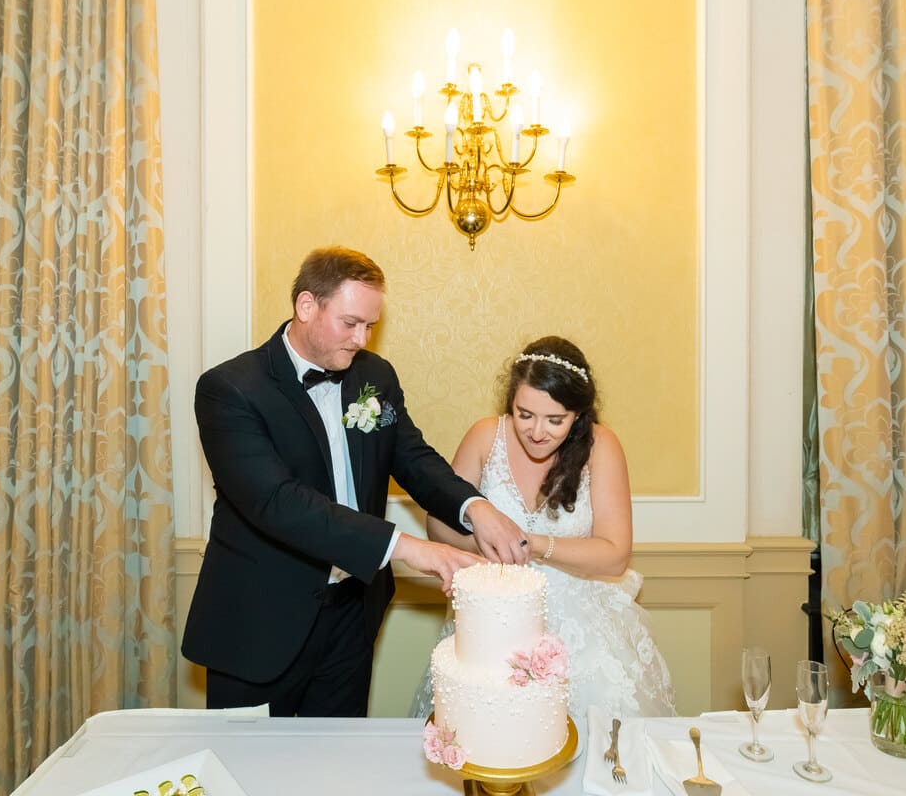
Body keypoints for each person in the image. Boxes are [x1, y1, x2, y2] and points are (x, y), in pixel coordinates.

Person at [183, 246, 530, 717]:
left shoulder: (374, 376)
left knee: (339, 767)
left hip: (352, 611)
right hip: (261, 620)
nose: (362, 338)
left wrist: (476, 508)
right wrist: (409, 547)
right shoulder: (230, 389)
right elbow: (279, 503)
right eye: (350, 323)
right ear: (307, 306)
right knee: (249, 776)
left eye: (370, 325)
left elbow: (414, 459)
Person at [412, 336, 677, 719]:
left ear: (578, 416)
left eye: (556, 420)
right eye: (525, 415)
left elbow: (615, 555)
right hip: (495, 617)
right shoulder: (486, 437)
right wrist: (484, 540)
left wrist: (533, 544)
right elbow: (438, 524)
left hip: (584, 631)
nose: (537, 431)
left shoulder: (601, 446)